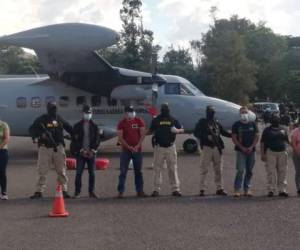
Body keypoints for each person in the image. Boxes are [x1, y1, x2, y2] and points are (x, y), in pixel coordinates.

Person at [29, 102, 73, 199]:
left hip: (58, 147)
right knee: (42, 171)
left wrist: (77, 136)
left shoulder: (59, 118)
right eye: (52, 108)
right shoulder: (41, 119)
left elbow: (69, 128)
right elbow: (31, 130)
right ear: (48, 109)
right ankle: (38, 191)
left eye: (55, 108)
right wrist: (41, 135)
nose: (54, 110)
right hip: (45, 148)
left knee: (61, 170)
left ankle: (64, 190)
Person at [194, 105, 231, 196]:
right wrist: (206, 137)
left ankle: (220, 188)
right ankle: (202, 189)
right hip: (207, 148)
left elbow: (223, 132)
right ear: (206, 112)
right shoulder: (202, 122)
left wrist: (233, 134)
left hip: (217, 148)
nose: (211, 113)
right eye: (210, 111)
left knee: (219, 170)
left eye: (213, 111)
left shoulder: (216, 122)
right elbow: (196, 133)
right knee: (204, 169)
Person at [148, 103, 184, 197]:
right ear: (162, 109)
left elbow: (181, 129)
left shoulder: (173, 119)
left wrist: (177, 130)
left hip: (170, 147)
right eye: (164, 109)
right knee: (157, 169)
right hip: (159, 147)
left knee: (172, 168)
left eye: (166, 109)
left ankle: (175, 189)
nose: (165, 110)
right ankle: (156, 190)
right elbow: (151, 130)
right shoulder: (156, 119)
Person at [117, 106, 147, 198]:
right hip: (126, 150)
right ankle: (121, 192)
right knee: (123, 172)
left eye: (133, 111)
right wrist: (129, 147)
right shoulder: (121, 123)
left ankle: (140, 191)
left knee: (138, 172)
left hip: (137, 150)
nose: (132, 113)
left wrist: (137, 146)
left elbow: (142, 134)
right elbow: (120, 138)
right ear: (126, 113)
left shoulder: (139, 121)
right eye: (130, 112)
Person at [70, 104, 100, 199]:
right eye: (86, 113)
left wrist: (93, 150)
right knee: (79, 173)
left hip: (92, 154)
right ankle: (77, 192)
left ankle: (92, 192)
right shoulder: (77, 126)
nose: (88, 114)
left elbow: (97, 140)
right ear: (82, 113)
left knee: (92, 173)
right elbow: (74, 141)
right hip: (81, 153)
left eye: (89, 113)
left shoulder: (95, 126)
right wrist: (81, 150)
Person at [232, 106, 259, 197]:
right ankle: (237, 190)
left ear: (249, 113)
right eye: (242, 112)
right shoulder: (236, 124)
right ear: (239, 114)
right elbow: (234, 138)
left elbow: (257, 136)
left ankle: (247, 189)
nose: (244, 114)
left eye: (245, 112)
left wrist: (251, 147)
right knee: (240, 170)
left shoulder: (253, 124)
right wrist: (242, 147)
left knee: (249, 171)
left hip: (252, 151)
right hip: (240, 151)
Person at [260, 113, 290, 197]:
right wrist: (262, 154)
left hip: (282, 152)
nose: (275, 120)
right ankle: (271, 189)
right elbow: (262, 142)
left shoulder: (283, 129)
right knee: (271, 171)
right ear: (271, 120)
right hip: (271, 153)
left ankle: (282, 190)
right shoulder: (267, 130)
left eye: (277, 118)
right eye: (274, 118)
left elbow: (288, 140)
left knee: (282, 171)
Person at [0, 119, 10, 200]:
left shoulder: (3, 125)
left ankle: (3, 192)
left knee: (2, 172)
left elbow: (6, 139)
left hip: (2, 151)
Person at [290, 122, 300, 196]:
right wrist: (298, 153)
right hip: (297, 154)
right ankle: (299, 189)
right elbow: (293, 143)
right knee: (298, 172)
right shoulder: (295, 131)